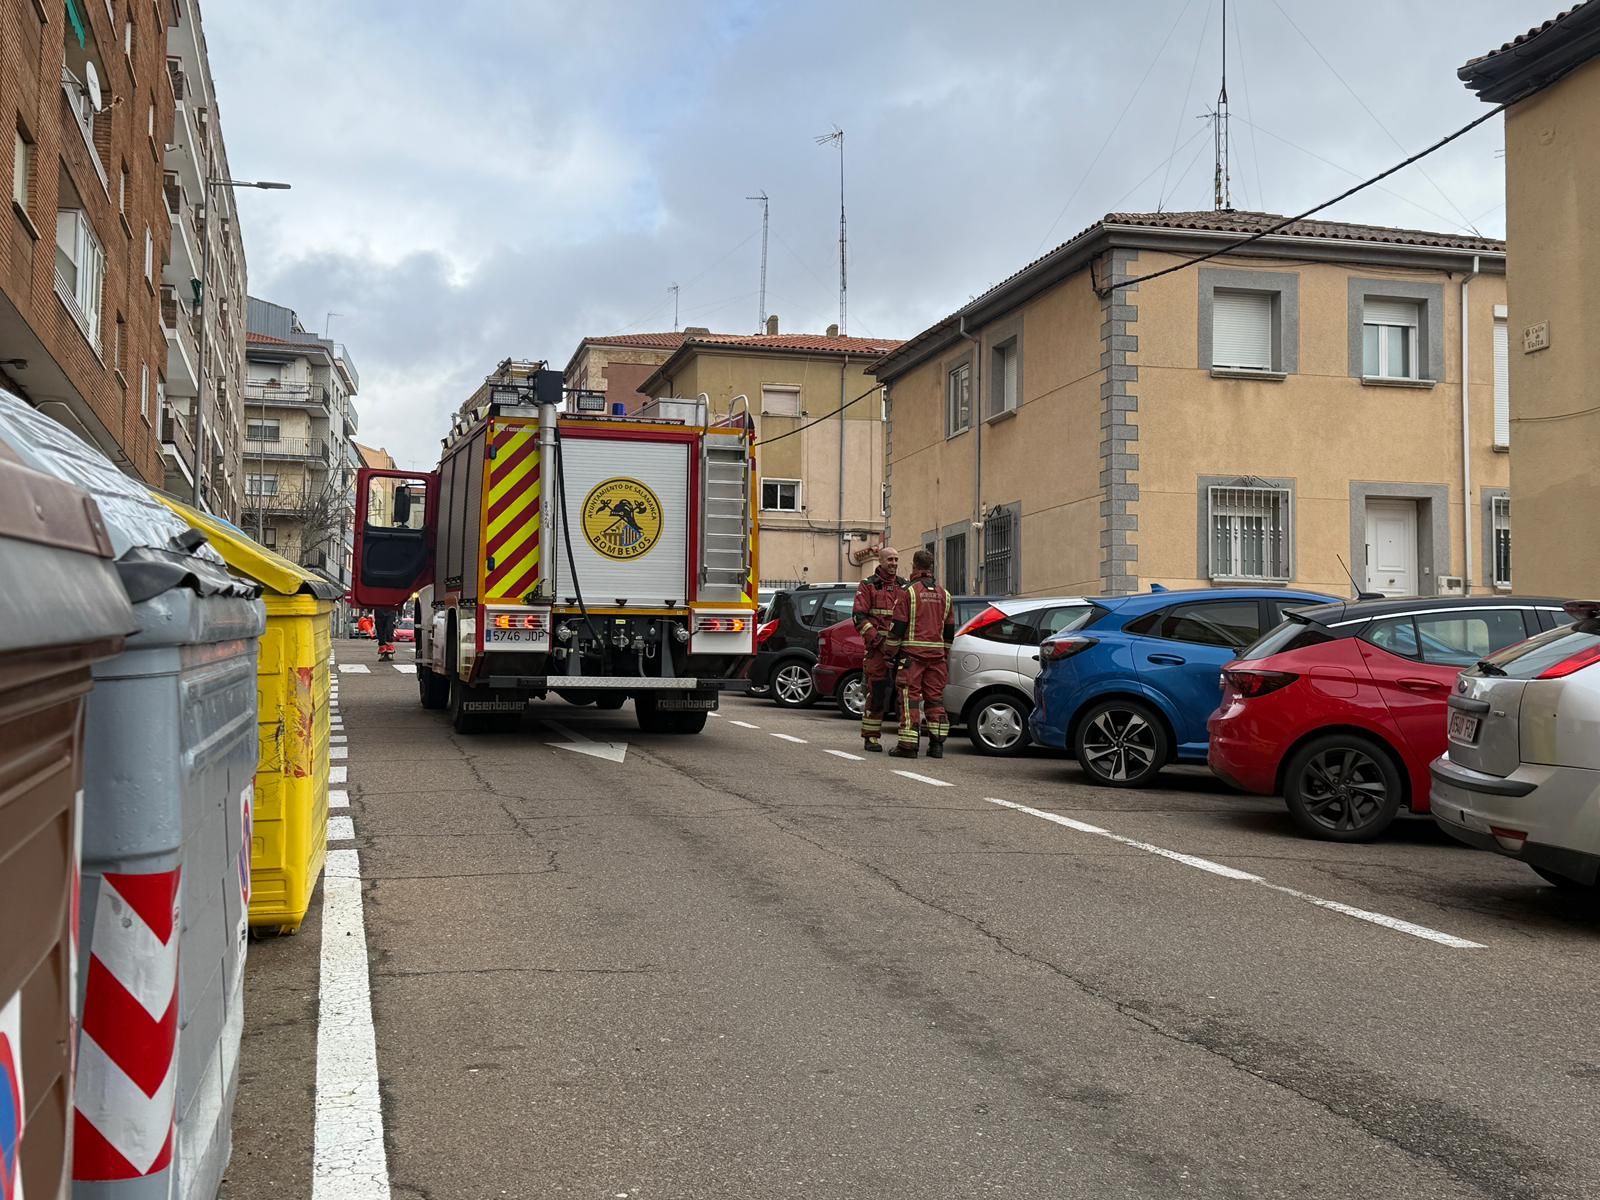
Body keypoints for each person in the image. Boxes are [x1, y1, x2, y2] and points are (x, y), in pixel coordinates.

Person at [888, 548, 955, 759]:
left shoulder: (908, 592)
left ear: (915, 567)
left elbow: (898, 626)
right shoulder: (945, 594)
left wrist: (890, 652)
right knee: (935, 700)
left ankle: (908, 746)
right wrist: (943, 654)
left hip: (912, 657)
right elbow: (949, 630)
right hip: (936, 659)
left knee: (910, 699)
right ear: (931, 567)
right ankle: (937, 746)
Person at [851, 547, 905, 753]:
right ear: (880, 561)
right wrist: (878, 641)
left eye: (896, 559)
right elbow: (859, 617)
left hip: (900, 649)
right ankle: (871, 738)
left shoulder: (904, 586)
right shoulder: (867, 586)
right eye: (890, 559)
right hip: (877, 651)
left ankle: (906, 740)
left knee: (905, 694)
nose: (893, 563)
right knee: (877, 693)